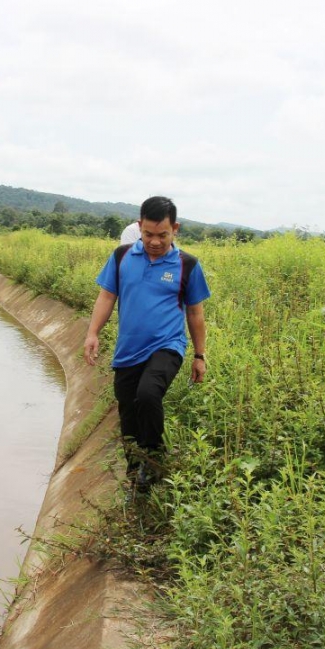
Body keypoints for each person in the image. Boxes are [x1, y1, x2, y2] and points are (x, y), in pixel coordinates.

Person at [83, 196, 210, 492]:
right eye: (148, 234)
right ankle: (135, 479)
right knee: (128, 417)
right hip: (128, 352)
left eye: (162, 235)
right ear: (140, 227)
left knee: (149, 394)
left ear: (175, 229)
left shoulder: (187, 265)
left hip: (168, 346)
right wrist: (92, 333)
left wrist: (199, 354)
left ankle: (154, 461)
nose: (155, 241)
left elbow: (195, 312)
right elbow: (106, 297)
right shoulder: (121, 257)